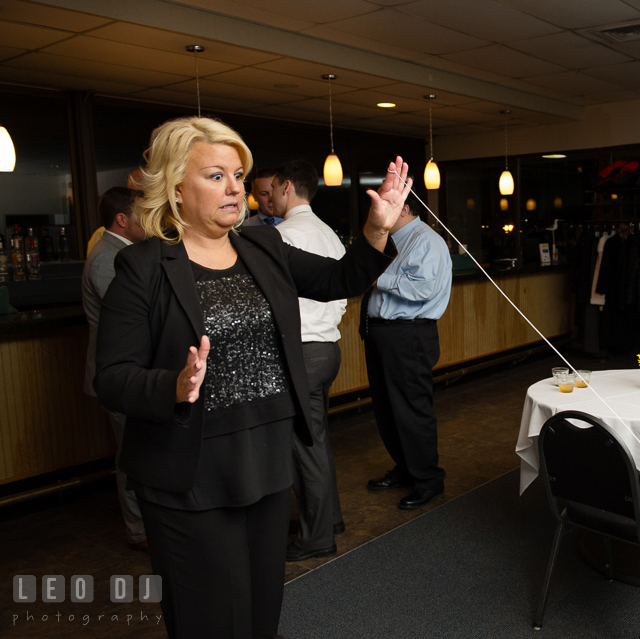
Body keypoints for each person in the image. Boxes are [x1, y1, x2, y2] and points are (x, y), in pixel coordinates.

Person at [94, 115, 410, 639]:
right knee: (207, 621)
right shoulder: (143, 267)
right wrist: (173, 384)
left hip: (264, 459)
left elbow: (338, 279)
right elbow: (112, 378)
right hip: (188, 474)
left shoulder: (262, 246)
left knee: (261, 613)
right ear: (175, 186)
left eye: (238, 175)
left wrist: (378, 229)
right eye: (216, 175)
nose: (235, 188)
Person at [270, 159, 347, 562]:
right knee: (316, 440)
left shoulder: (283, 236)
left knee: (305, 446)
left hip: (300, 352)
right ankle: (328, 518)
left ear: (286, 187)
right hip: (329, 348)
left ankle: (316, 537)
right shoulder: (329, 233)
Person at [363, 193, 452, 510]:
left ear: (404, 207)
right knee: (387, 409)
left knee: (411, 410)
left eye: (385, 204)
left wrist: (379, 277)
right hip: (382, 334)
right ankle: (406, 468)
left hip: (408, 334)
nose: (376, 210)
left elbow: (422, 288)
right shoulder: (390, 239)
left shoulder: (426, 240)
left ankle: (429, 481)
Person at [81, 186, 148, 553]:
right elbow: (132, 316)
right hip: (118, 374)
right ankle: (138, 530)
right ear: (122, 220)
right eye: (141, 215)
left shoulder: (123, 253)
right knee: (130, 456)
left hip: (132, 373)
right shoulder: (107, 258)